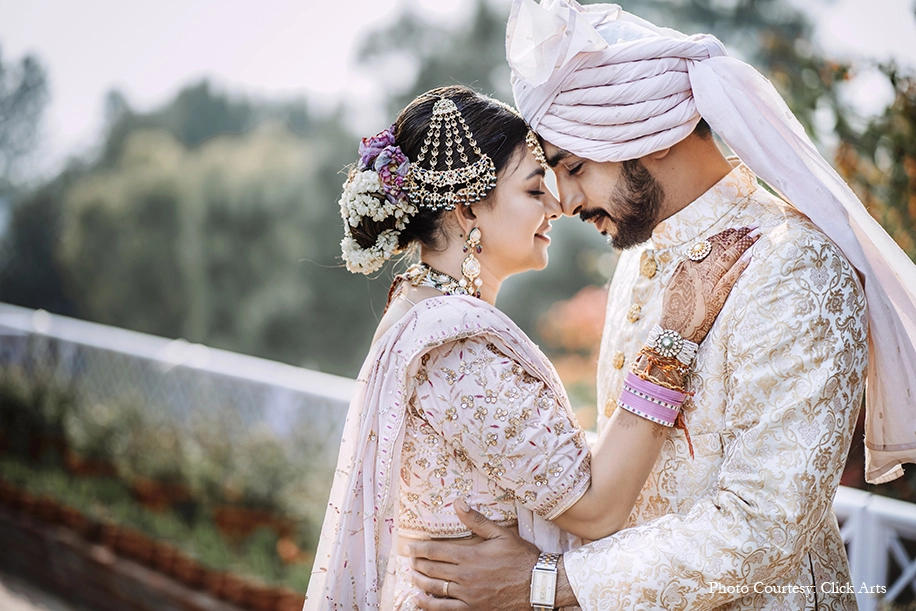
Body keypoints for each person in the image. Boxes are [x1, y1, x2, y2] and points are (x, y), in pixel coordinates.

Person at [407, 2, 916, 610]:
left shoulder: (794, 265)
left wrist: (543, 583)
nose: (562, 201)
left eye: (572, 167)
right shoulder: (638, 260)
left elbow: (764, 524)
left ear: (646, 133)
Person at [303, 84, 757, 610]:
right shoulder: (456, 354)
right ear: (470, 209)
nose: (558, 206)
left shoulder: (419, 312)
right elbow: (595, 508)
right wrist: (674, 339)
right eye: (533, 189)